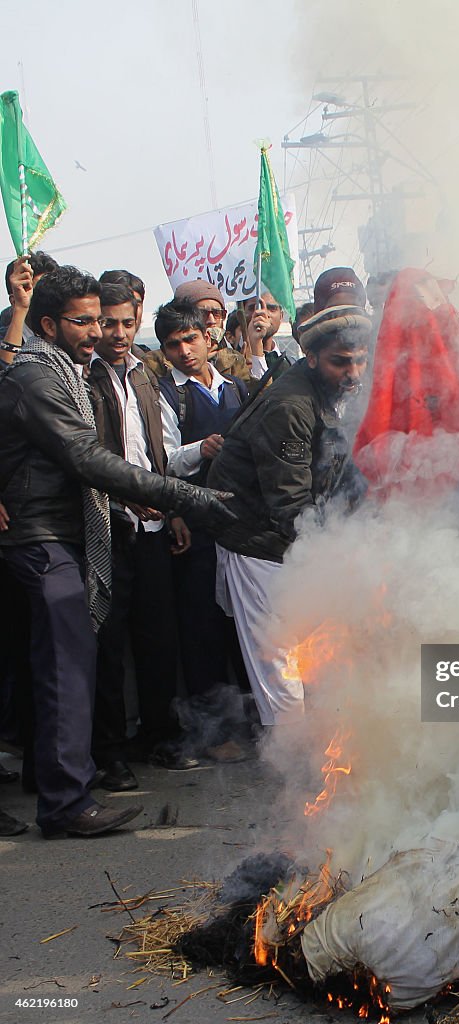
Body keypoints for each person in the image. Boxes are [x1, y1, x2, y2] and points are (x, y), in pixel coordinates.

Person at [0, 266, 235, 837]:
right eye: (82, 321)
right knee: (65, 666)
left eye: (100, 320)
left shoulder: (68, 375)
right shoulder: (37, 379)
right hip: (39, 534)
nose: (96, 331)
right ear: (48, 324)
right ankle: (67, 803)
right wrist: (186, 495)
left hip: (65, 530)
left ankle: (54, 785)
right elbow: (88, 459)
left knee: (51, 666)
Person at [207, 307, 372, 727]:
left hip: (298, 542)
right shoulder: (290, 406)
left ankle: (323, 749)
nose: (353, 373)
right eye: (340, 362)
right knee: (279, 662)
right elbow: (290, 506)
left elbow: (344, 480)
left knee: (323, 651)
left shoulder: (341, 396)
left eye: (359, 360)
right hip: (257, 544)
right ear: (312, 357)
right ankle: (295, 763)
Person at [87, 282, 192, 785]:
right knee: (108, 643)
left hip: (151, 521)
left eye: (128, 323)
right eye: (109, 323)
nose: (119, 333)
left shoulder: (143, 377)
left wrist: (170, 510)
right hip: (104, 525)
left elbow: (154, 455)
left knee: (158, 637)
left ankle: (160, 736)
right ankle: (109, 751)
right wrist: (127, 498)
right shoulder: (82, 377)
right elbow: (89, 460)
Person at [156, 299, 251, 761]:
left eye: (190, 340)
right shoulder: (165, 394)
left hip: (238, 526)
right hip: (195, 525)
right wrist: (202, 449)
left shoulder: (236, 389)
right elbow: (164, 460)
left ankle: (253, 723)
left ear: (208, 339)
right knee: (202, 629)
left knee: (243, 623)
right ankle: (212, 734)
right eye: (172, 345)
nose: (184, 351)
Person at [0, 251, 59, 363]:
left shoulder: (68, 334)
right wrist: (20, 308)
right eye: (41, 293)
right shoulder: (4, 342)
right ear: (14, 301)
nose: (50, 300)